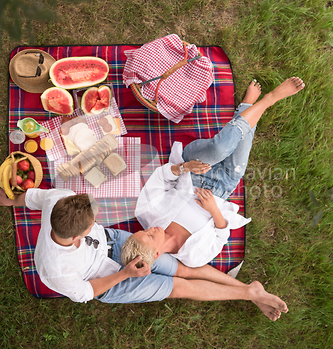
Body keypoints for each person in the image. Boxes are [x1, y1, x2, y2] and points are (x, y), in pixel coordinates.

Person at [0, 77, 304, 321]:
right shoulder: (57, 270)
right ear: (78, 236)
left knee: (184, 268)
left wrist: (9, 199)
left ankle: (249, 289)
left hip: (117, 243)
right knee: (179, 286)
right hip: (109, 282)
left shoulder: (59, 199)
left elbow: (34, 198)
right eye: (93, 222)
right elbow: (85, 292)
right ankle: (250, 294)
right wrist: (124, 273)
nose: (99, 218)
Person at [121, 77, 305, 271]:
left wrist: (186, 167)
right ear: (156, 254)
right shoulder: (192, 257)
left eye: (143, 230)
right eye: (149, 236)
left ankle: (269, 99)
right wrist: (214, 211)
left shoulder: (145, 212)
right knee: (240, 153)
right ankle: (247, 107)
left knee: (219, 149)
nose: (149, 229)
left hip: (193, 171)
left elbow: (161, 177)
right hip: (223, 186)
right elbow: (221, 237)